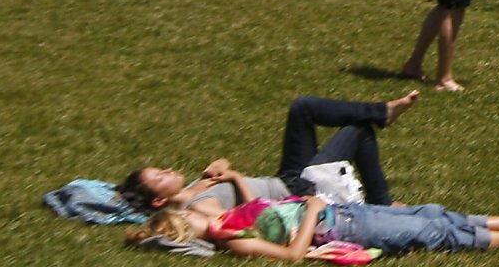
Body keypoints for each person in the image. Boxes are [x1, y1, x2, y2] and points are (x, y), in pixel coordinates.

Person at [119, 91, 422, 216]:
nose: (168, 170)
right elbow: (248, 221)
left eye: (161, 168)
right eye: (161, 176)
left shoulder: (191, 188)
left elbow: (225, 165)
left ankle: (382, 112)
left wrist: (218, 166)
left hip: (286, 178)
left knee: (302, 107)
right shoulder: (195, 211)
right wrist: (236, 178)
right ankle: (382, 203)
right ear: (159, 200)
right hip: (297, 192)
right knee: (359, 131)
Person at [126, 181, 499, 260]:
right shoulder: (233, 242)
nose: (197, 211)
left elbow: (198, 207)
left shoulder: (222, 221)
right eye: (189, 217)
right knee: (434, 232)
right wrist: (312, 212)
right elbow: (292, 255)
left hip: (345, 213)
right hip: (341, 226)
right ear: (189, 229)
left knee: (430, 214)